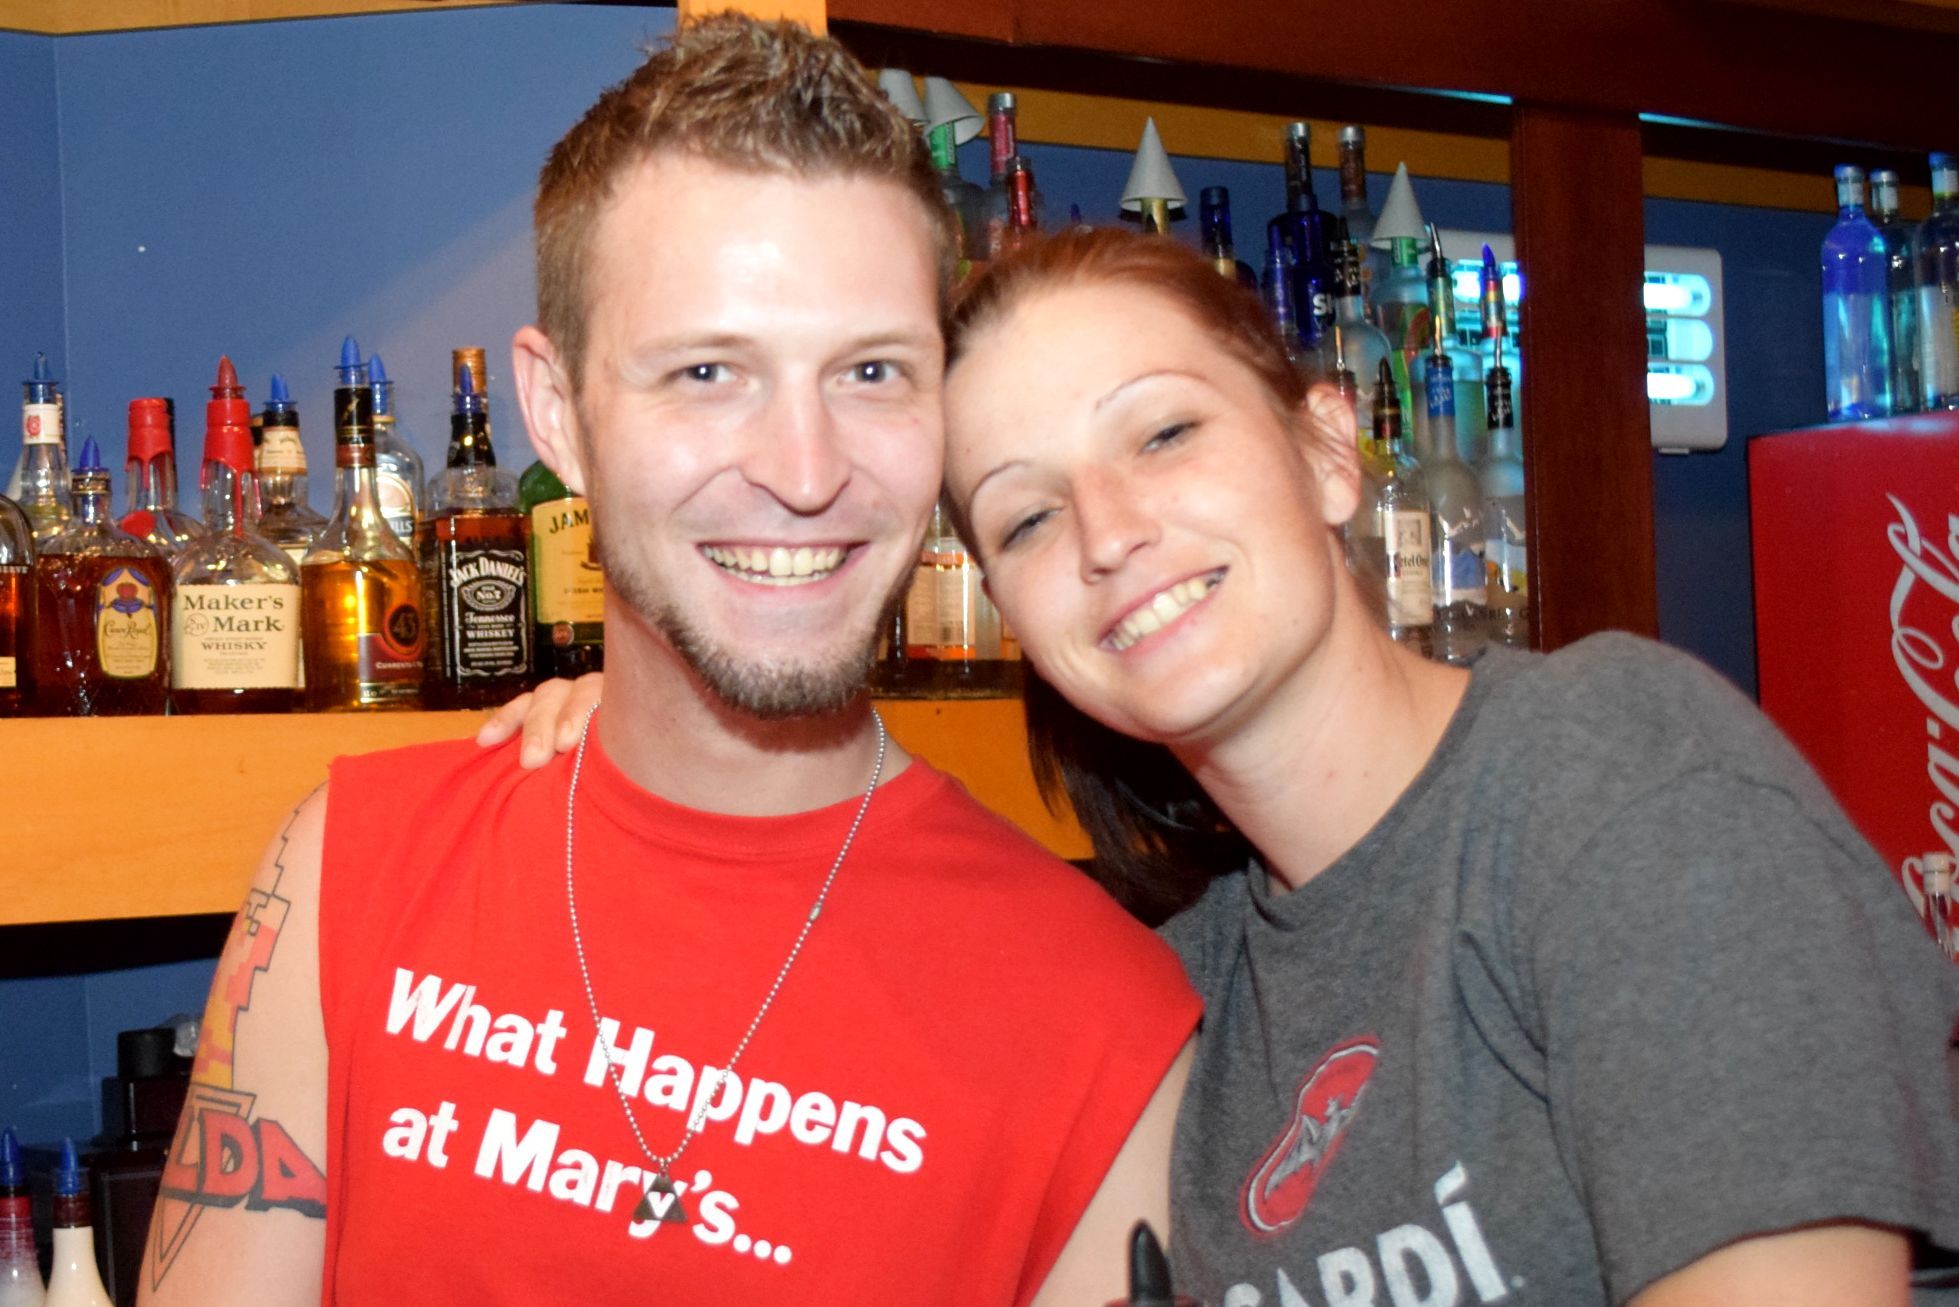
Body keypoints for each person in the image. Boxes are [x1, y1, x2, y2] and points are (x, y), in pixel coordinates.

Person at [508, 227, 1959, 1305]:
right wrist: (637, 728)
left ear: (1324, 449)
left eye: (1163, 432)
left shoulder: (1613, 776)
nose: (1108, 531)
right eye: (1025, 517)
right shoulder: (1174, 989)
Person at [140, 24, 1197, 1307]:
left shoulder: (1110, 1027)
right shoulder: (346, 869)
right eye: (707, 371)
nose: (804, 472)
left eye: (871, 371)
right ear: (558, 412)